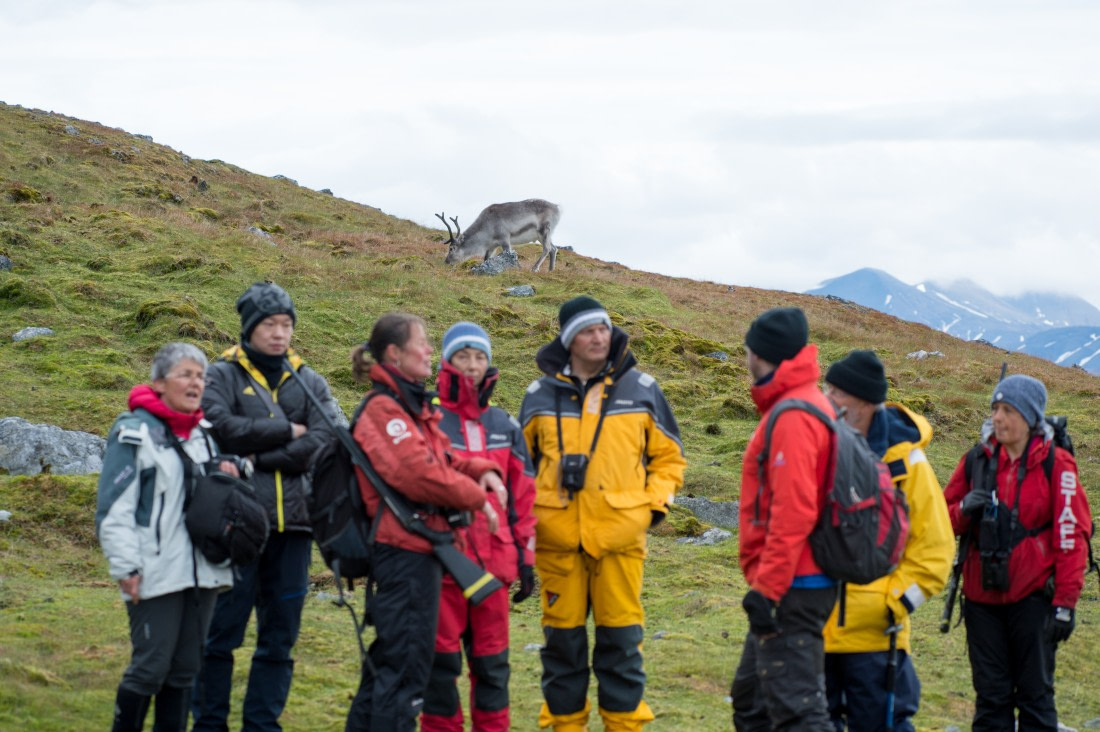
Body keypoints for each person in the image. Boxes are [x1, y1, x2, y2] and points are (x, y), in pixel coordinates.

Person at [518, 295, 686, 732]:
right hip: (557, 546)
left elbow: (669, 459)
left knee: (622, 648)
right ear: (569, 339)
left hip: (620, 543)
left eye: (604, 328)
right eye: (588, 330)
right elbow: (520, 469)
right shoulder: (538, 394)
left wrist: (651, 510)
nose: (599, 337)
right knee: (562, 651)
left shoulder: (643, 389)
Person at [344, 312, 506, 731]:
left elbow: (442, 458)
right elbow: (419, 473)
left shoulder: (406, 404)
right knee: (403, 678)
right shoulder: (385, 410)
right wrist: (478, 500)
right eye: (423, 342)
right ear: (395, 353)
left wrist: (479, 468)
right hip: (404, 556)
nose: (430, 351)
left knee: (389, 670)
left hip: (418, 554)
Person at [192, 282, 342, 732]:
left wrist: (258, 456)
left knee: (280, 640)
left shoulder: (308, 379)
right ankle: (209, 724)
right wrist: (285, 432)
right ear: (250, 327)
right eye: (270, 325)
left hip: (294, 527)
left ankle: (262, 724)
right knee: (221, 634)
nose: (279, 334)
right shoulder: (221, 375)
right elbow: (219, 426)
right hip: (235, 526)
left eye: (286, 325)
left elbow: (325, 440)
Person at [96, 343, 237, 731]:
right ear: (159, 383)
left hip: (204, 571)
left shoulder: (206, 435)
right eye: (186, 375)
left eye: (200, 376)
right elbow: (114, 509)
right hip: (153, 571)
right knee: (150, 668)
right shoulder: (133, 433)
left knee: (185, 671)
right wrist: (126, 566)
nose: (196, 383)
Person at [942, 374, 1092, 731]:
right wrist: (964, 508)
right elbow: (940, 521)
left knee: (1036, 698)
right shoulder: (975, 461)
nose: (998, 418)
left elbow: (1072, 538)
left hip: (1034, 600)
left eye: (1008, 410)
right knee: (990, 699)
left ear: (1029, 417)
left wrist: (1065, 605)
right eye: (995, 409)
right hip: (981, 601)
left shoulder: (1057, 465)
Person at [821, 350, 955, 732]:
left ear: (863, 402)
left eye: (836, 392)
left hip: (876, 640)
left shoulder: (906, 464)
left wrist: (895, 604)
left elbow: (936, 551)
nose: (827, 399)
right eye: (826, 389)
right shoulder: (819, 447)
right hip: (812, 628)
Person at [421, 322, 538, 732]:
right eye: (463, 356)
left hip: (495, 569)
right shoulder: (428, 420)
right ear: (446, 363)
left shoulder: (505, 426)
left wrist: (526, 560)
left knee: (493, 672)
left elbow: (524, 502)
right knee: (439, 672)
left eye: (480, 357)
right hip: (441, 565)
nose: (472, 365)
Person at [731, 306, 837, 731]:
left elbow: (794, 511)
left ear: (761, 354)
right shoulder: (807, 404)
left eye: (748, 350)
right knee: (753, 701)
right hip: (794, 579)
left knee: (798, 711)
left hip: (795, 584)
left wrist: (769, 590)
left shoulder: (793, 416)